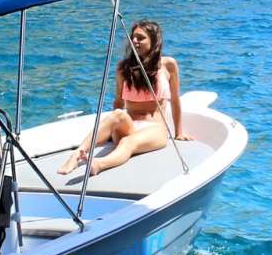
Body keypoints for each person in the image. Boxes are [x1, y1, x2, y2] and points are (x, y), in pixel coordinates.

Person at [57, 19, 189, 177]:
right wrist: (110, 130)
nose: (134, 41)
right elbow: (118, 102)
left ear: (154, 41)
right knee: (119, 114)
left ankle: (98, 164)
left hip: (154, 129)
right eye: (133, 37)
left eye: (140, 38)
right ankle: (77, 154)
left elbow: (175, 100)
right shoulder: (123, 67)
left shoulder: (169, 65)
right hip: (128, 125)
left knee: (128, 142)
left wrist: (179, 132)